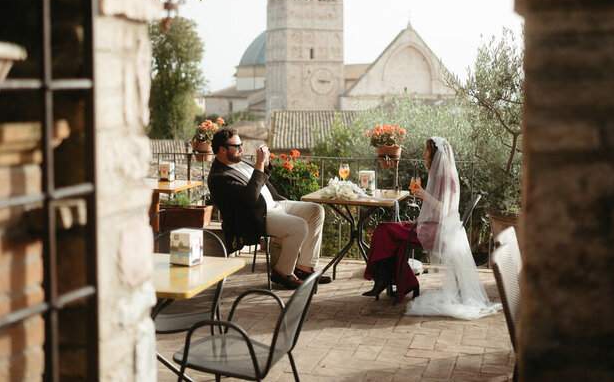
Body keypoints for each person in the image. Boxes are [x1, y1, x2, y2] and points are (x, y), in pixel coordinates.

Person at [363, 137, 502, 319]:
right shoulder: (441, 174)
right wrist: (418, 218)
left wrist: (424, 196)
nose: (423, 154)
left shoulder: (446, 177)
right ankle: (400, 281)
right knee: (389, 234)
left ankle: (384, 280)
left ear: (435, 153)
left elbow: (447, 209)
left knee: (383, 230)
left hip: (435, 231)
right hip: (431, 226)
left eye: (426, 150)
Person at [207, 128, 330, 289]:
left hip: (274, 204)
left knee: (316, 211)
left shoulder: (240, 160)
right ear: (222, 150)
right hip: (257, 216)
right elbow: (249, 199)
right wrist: (259, 164)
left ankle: (304, 268)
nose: (242, 149)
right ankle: (282, 272)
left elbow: (259, 180)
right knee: (299, 226)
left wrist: (264, 165)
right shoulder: (218, 177)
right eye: (237, 146)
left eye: (241, 145)